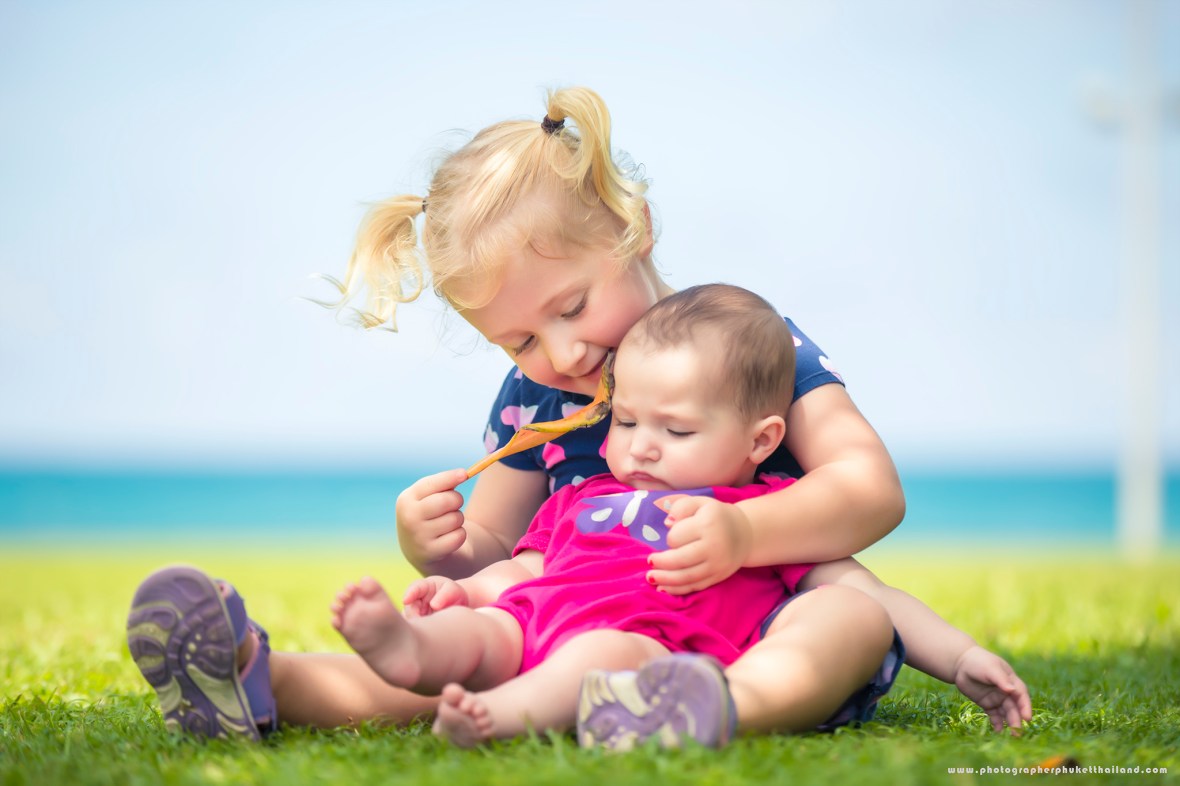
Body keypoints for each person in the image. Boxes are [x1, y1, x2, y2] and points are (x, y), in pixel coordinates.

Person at [124, 87, 1016, 741]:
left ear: (635, 230)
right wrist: (438, 550)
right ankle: (256, 679)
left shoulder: (748, 347)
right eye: (519, 340)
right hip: (575, 620)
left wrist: (746, 535)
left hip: (754, 616)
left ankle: (720, 707)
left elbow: (870, 490)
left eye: (573, 306)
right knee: (464, 644)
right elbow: (498, 551)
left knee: (849, 609)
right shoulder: (536, 404)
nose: (562, 354)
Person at [328, 284, 1029, 749]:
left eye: (678, 430)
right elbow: (525, 569)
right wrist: (463, 590)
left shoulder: (764, 512)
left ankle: (704, 706)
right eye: (627, 420)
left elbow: (873, 597)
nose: (641, 447)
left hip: (651, 659)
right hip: (541, 631)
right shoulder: (583, 497)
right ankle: (413, 651)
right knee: (486, 629)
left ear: (761, 441)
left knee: (841, 617)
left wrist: (960, 656)